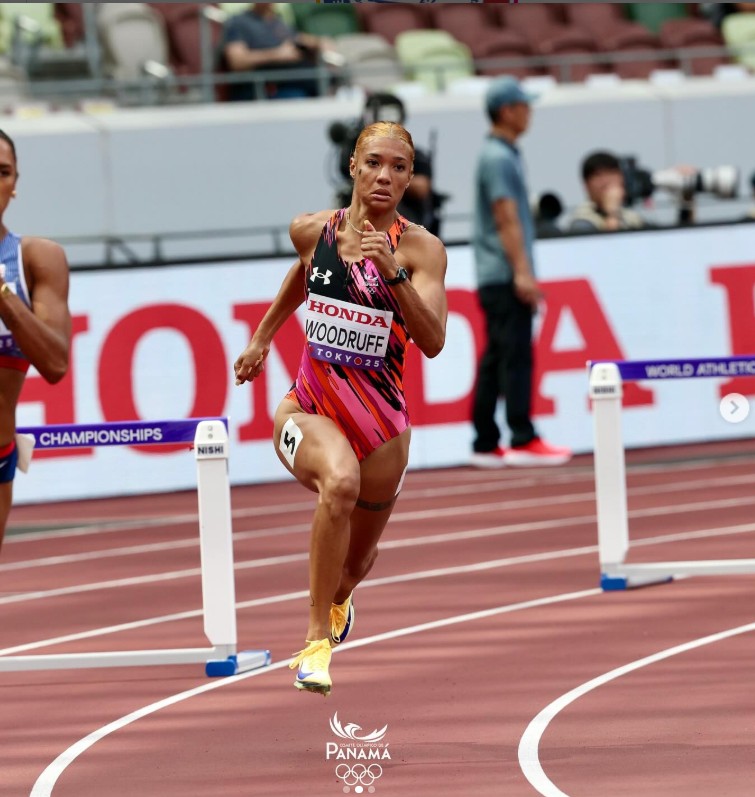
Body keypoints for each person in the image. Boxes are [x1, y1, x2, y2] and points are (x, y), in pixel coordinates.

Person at [234, 121, 447, 696]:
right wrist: (261, 339)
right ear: (352, 167)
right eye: (374, 162)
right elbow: (302, 279)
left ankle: (341, 598)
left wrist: (393, 275)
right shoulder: (310, 230)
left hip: (381, 426)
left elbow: (432, 341)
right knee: (340, 484)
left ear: (409, 178)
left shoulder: (421, 249)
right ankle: (312, 645)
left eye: (399, 167)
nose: (385, 176)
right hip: (308, 407)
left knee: (355, 564)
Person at [469, 75, 571, 469]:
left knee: (496, 357)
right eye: (525, 106)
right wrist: (523, 273)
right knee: (515, 356)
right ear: (508, 111)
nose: (529, 113)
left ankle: (485, 440)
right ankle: (522, 436)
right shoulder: (498, 157)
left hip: (494, 272)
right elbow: (506, 217)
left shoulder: (499, 154)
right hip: (504, 272)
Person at [0, 129, 72, 554]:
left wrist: (4, 295)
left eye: (3, 172)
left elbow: (54, 364)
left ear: (15, 184)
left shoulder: (35, 259)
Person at [219, 3, 337, 102]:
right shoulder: (238, 22)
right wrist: (277, 54)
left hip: (299, 79)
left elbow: (297, 38)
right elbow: (237, 61)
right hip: (266, 87)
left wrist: (320, 42)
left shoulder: (277, 21)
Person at [562, 150, 647, 233]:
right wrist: (612, 214)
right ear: (586, 184)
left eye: (611, 173)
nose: (606, 181)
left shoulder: (632, 217)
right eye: (598, 175)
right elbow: (608, 245)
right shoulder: (581, 221)